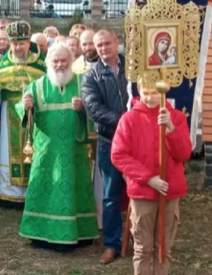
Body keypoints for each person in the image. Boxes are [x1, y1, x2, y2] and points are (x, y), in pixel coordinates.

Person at [17, 43, 98, 249]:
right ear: (48, 63)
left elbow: (94, 113)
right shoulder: (36, 86)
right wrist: (25, 106)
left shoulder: (82, 82)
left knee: (73, 188)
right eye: (55, 61)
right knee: (45, 187)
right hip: (47, 152)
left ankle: (80, 233)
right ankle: (40, 233)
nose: (60, 65)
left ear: (71, 62)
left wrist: (83, 109)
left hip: (73, 151)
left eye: (64, 61)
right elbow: (21, 109)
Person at [111, 76, 191, 275]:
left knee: (163, 247)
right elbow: (118, 154)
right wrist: (147, 178)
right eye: (145, 93)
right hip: (143, 191)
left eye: (154, 93)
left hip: (168, 191)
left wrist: (171, 129)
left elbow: (183, 154)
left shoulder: (177, 118)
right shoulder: (129, 119)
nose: (149, 98)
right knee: (143, 248)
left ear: (164, 90)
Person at [82, 29, 129, 265]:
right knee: (110, 195)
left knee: (140, 192)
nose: (102, 49)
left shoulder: (133, 68)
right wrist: (127, 122)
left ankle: (141, 240)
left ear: (116, 42)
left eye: (106, 43)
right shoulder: (91, 76)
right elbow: (94, 110)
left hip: (137, 143)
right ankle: (112, 244)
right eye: (98, 45)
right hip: (109, 142)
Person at [0, 22, 45, 204]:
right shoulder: (3, 65)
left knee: (34, 151)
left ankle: (32, 191)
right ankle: (9, 193)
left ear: (29, 43)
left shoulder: (40, 65)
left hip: (33, 114)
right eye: (14, 43)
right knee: (8, 151)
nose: (18, 47)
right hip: (9, 112)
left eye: (21, 43)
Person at [72, 28, 103, 230]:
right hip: (81, 128)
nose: (88, 47)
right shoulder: (74, 67)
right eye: (84, 44)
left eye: (91, 43)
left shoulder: (106, 65)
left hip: (100, 129)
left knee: (99, 176)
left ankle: (100, 215)